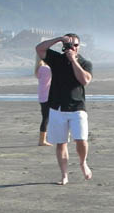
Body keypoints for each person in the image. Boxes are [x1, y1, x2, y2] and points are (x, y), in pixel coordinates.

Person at [35, 33, 93, 185]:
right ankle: (64, 175)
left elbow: (85, 80)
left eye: (75, 45)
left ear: (79, 47)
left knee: (81, 140)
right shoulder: (56, 59)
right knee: (61, 143)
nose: (72, 48)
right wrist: (59, 39)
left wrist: (73, 60)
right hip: (57, 107)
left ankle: (83, 162)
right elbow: (39, 49)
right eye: (69, 45)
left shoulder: (85, 63)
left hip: (77, 107)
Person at [35, 55, 53, 146]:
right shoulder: (46, 68)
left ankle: (43, 139)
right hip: (47, 96)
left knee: (46, 117)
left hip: (42, 96)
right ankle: (42, 140)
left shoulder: (39, 69)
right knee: (46, 118)